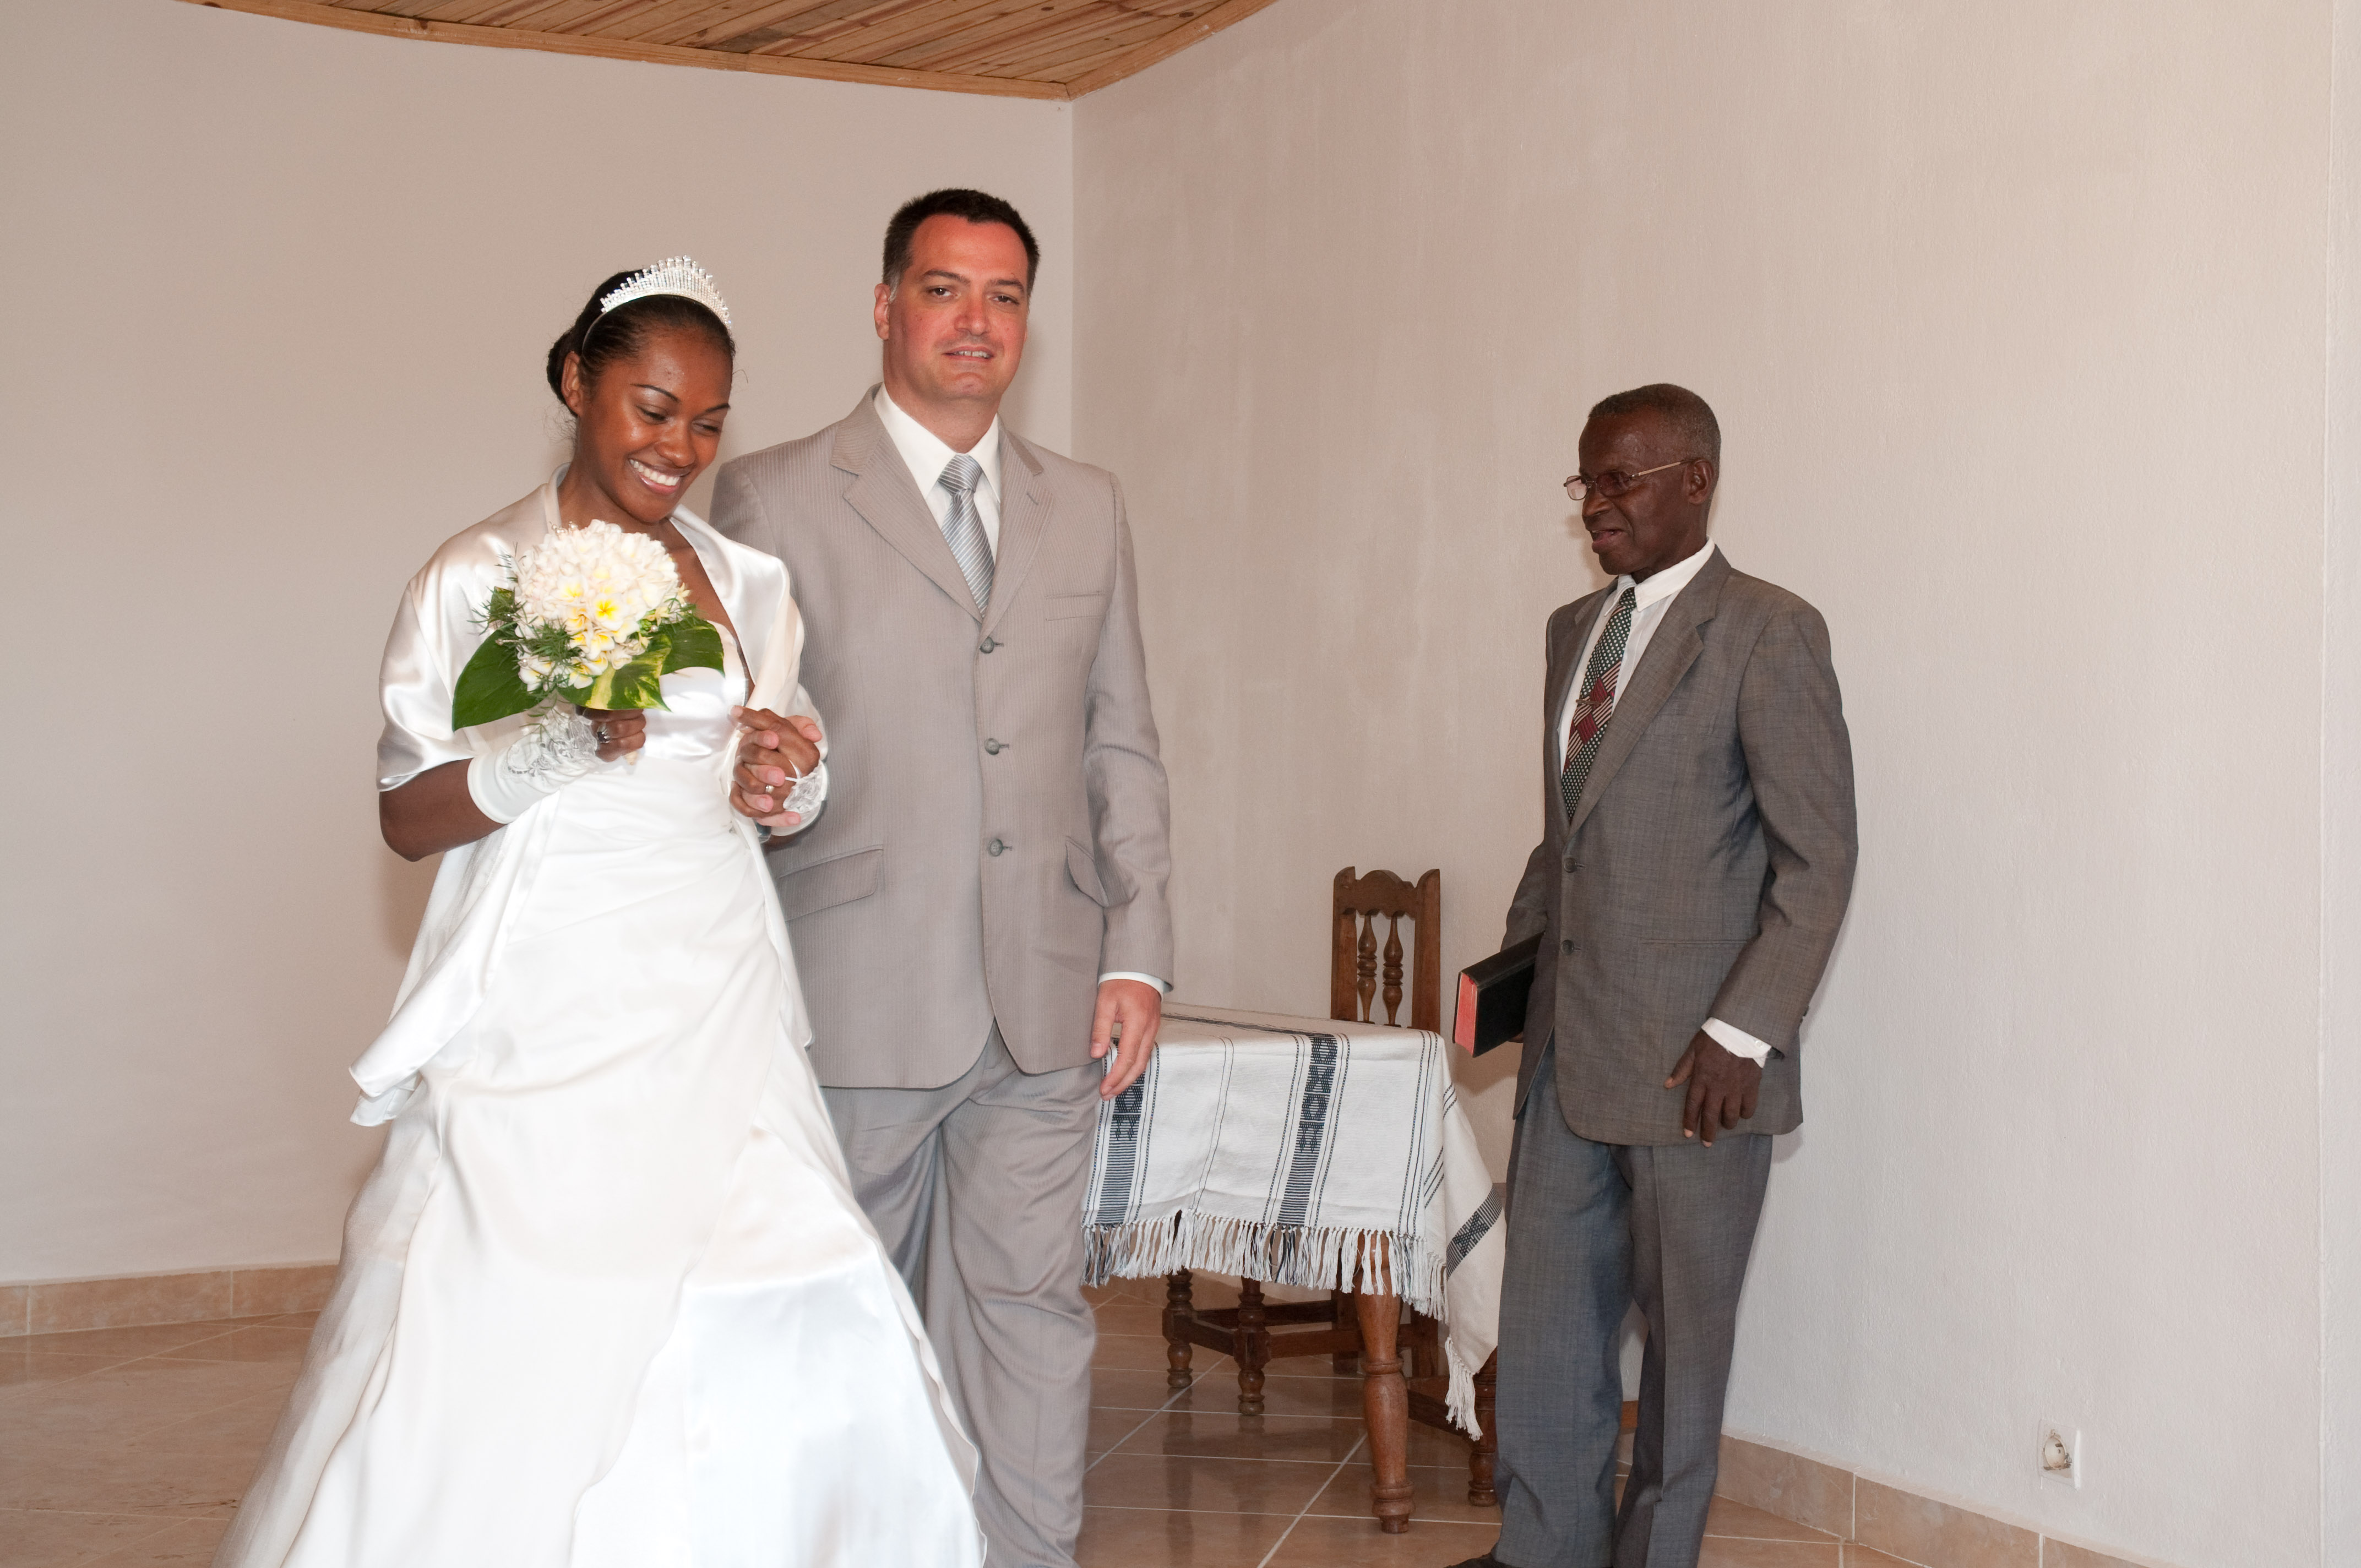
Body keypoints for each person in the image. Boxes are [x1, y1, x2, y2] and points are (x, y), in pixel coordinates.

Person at [214, 262, 983, 1568]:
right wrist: (551, 749)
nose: (679, 447)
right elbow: (405, 813)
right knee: (514, 1305)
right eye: (653, 408)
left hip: (718, 983)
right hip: (547, 994)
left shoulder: (751, 583)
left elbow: (771, 765)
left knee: (787, 1274)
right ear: (577, 383)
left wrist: (784, 779)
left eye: (708, 422)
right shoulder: (475, 573)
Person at [712, 189, 1173, 1568]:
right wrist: (760, 782)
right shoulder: (772, 493)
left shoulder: (1087, 504)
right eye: (942, 288)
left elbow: (1121, 737)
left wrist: (1137, 949)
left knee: (1031, 1309)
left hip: (1048, 994)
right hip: (857, 985)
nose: (975, 321)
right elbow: (736, 738)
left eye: (1004, 295)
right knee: (833, 1315)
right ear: (883, 307)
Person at [1449, 385, 1857, 1568]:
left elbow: (1818, 859)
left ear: (1696, 480)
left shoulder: (1769, 630)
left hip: (1698, 1075)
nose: (1595, 505)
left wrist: (1745, 1030)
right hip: (1568, 1059)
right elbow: (1565, 837)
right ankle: (1542, 1550)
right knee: (1545, 1332)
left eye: (1619, 480)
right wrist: (1515, 977)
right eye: (1585, 482)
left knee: (1684, 1352)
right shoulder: (1570, 630)